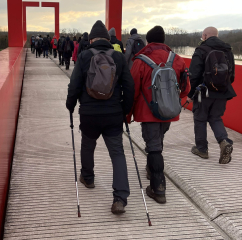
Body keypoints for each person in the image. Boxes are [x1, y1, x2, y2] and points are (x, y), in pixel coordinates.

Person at [66, 20, 134, 214]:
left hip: (89, 113)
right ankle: (120, 197)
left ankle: (88, 178)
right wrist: (125, 111)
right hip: (113, 114)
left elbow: (74, 85)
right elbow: (129, 87)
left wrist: (70, 105)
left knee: (88, 145)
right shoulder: (119, 58)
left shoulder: (85, 56)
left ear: (91, 39)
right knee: (117, 154)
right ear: (108, 39)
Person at [128, 25, 190, 204]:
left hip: (148, 112)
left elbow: (133, 91)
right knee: (157, 141)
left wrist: (128, 113)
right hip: (169, 112)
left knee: (154, 147)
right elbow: (186, 88)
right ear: (164, 41)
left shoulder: (140, 60)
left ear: (148, 41)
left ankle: (158, 188)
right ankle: (150, 168)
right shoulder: (177, 59)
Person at [186, 27, 236, 164]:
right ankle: (224, 140)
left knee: (200, 119)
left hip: (203, 92)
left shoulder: (201, 50)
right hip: (222, 92)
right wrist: (222, 87)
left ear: (205, 35)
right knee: (216, 118)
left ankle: (202, 149)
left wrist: (190, 94)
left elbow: (193, 75)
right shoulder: (228, 50)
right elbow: (231, 75)